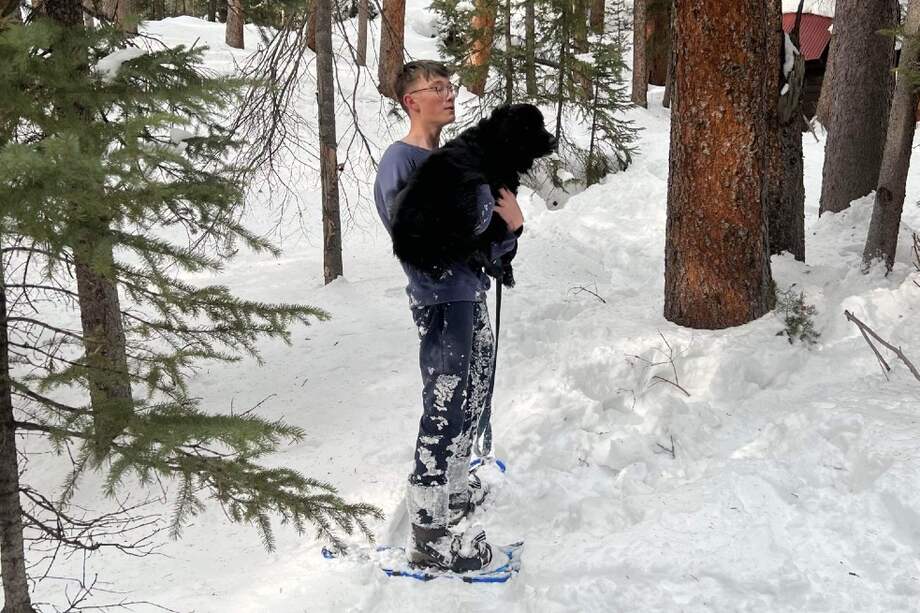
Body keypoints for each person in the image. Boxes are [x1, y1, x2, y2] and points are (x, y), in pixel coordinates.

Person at [373, 60, 524, 573]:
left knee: (472, 395)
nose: (449, 94)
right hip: (440, 300)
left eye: (450, 86)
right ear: (410, 101)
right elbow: (414, 240)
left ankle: (454, 491)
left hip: (468, 293)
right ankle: (430, 536)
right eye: (436, 88)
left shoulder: (456, 161)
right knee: (444, 406)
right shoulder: (401, 159)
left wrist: (510, 229)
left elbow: (484, 243)